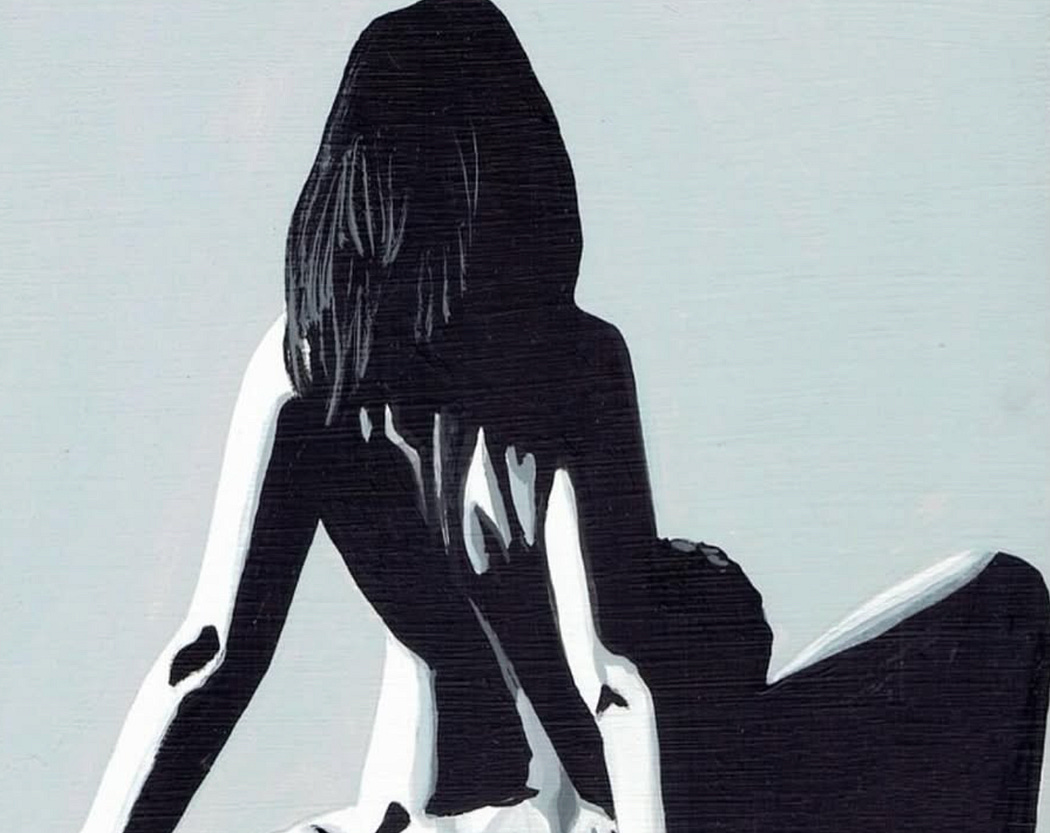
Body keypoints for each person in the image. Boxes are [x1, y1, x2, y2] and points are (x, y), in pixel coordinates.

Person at [79, 2, 1050, 832]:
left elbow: (207, 659)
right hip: (671, 785)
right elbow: (613, 679)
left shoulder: (307, 369)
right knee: (1002, 594)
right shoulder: (564, 364)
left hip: (553, 779)